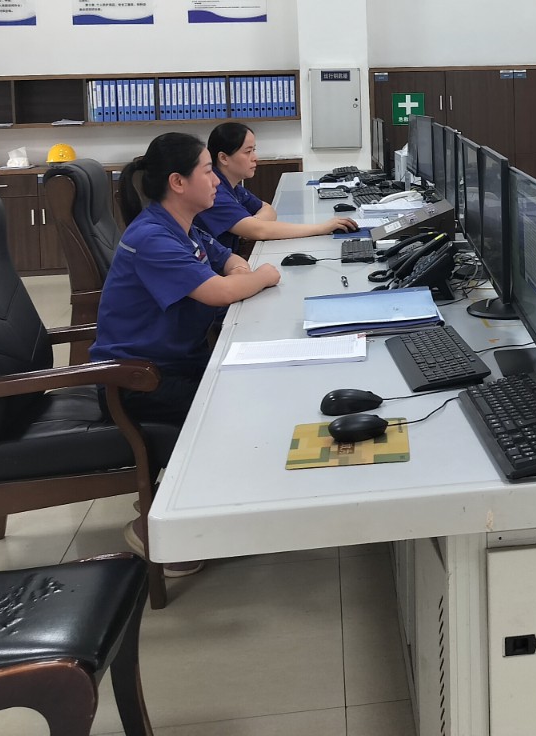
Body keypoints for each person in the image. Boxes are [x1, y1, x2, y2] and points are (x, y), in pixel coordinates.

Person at [90, 131, 280, 576]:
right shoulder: (153, 237)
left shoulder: (182, 225)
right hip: (137, 381)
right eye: (208, 171)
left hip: (172, 364)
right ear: (178, 182)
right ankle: (153, 526)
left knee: (254, 386)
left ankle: (198, 503)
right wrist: (264, 276)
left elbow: (227, 261)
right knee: (240, 405)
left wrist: (239, 271)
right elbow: (219, 292)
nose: (215, 181)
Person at [203, 121, 360, 244]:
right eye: (248, 152)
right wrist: (322, 228)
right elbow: (261, 231)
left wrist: (251, 226)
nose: (255, 158)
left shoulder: (233, 188)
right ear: (223, 158)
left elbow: (267, 209)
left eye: (254, 150)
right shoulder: (215, 193)